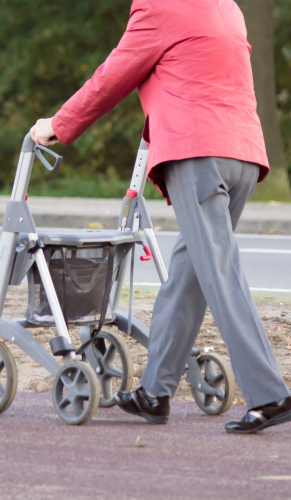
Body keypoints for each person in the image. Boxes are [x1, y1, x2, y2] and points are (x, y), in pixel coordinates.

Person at [30, 0, 291, 434]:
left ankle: (269, 393)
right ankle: (155, 392)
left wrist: (58, 124)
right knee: (192, 272)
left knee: (219, 273)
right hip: (242, 152)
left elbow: (112, 77)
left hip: (198, 151)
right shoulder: (227, 6)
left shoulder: (159, 6)